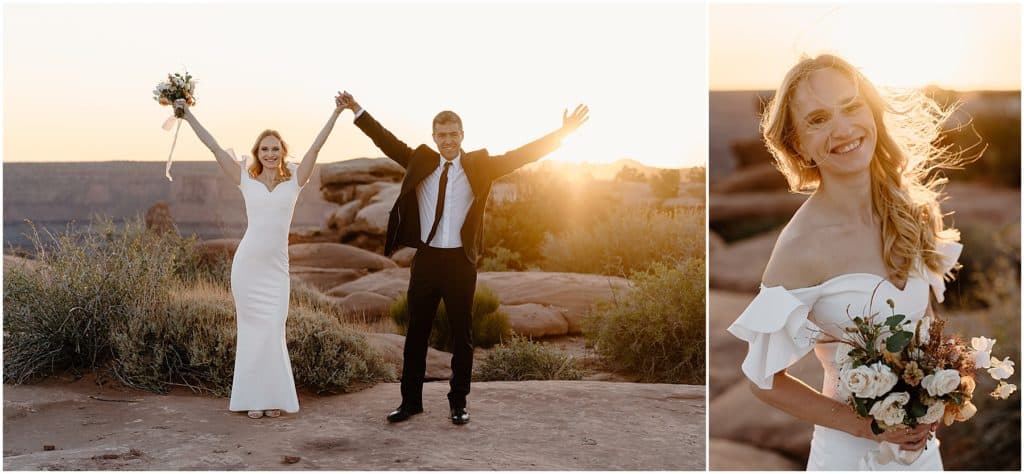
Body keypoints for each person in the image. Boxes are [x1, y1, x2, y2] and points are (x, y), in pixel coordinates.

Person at [726, 54, 963, 470]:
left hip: (923, 457)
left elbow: (923, 323)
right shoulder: (801, 247)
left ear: (871, 110)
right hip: (849, 460)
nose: (843, 128)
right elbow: (764, 381)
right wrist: (867, 427)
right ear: (798, 143)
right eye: (818, 119)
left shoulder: (911, 210)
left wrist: (937, 390)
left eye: (851, 106)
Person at [337, 91, 588, 425]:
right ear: (433, 137)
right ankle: (410, 402)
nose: (447, 141)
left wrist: (562, 133)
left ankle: (459, 403)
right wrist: (357, 109)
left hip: (460, 262)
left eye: (453, 134)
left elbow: (521, 155)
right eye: (441, 135)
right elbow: (385, 140)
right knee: (416, 335)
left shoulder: (479, 166)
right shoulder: (420, 160)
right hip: (426, 261)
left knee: (462, 336)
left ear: (462, 135)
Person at [179, 93, 347, 419]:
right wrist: (187, 117)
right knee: (253, 331)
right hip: (247, 267)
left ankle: (275, 398)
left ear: (283, 152)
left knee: (273, 329)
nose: (270, 154)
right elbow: (214, 147)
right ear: (258, 152)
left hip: (275, 270)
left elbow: (315, 148)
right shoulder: (246, 179)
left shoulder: (296, 180)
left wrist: (337, 113)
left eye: (275, 148)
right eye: (264, 149)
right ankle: (252, 399)